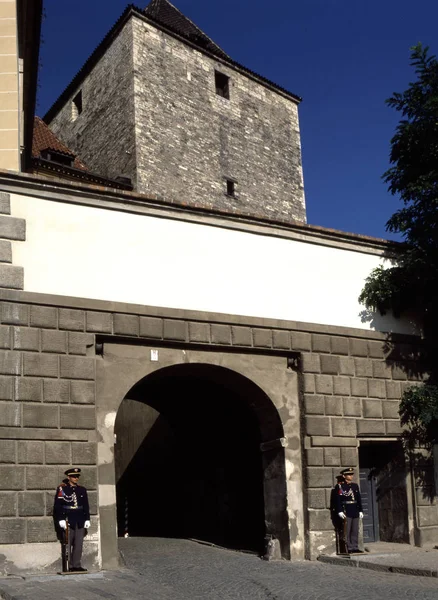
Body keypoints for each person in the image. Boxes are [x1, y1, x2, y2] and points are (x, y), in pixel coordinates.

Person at [53, 467, 91, 572]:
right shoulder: (62, 489)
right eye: (74, 476)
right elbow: (58, 506)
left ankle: (76, 565)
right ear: (68, 477)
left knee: (79, 543)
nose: (76, 478)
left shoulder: (82, 489)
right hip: (68, 519)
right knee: (68, 543)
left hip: (80, 519)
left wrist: (87, 519)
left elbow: (85, 506)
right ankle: (68, 566)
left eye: (77, 476)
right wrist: (60, 519)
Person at [335, 467, 363, 554]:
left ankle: (355, 547)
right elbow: (337, 500)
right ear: (344, 476)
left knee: (355, 529)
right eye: (349, 475)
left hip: (355, 509)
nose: (351, 476)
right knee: (347, 530)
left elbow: (358, 498)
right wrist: (339, 511)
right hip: (346, 510)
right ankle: (349, 548)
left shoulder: (355, 486)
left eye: (351, 474)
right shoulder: (340, 486)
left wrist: (360, 510)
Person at [329, 474, 347, 554]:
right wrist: (339, 511)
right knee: (343, 531)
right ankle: (343, 549)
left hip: (348, 512)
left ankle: (349, 547)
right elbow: (336, 501)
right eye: (342, 481)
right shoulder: (337, 489)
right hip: (341, 513)